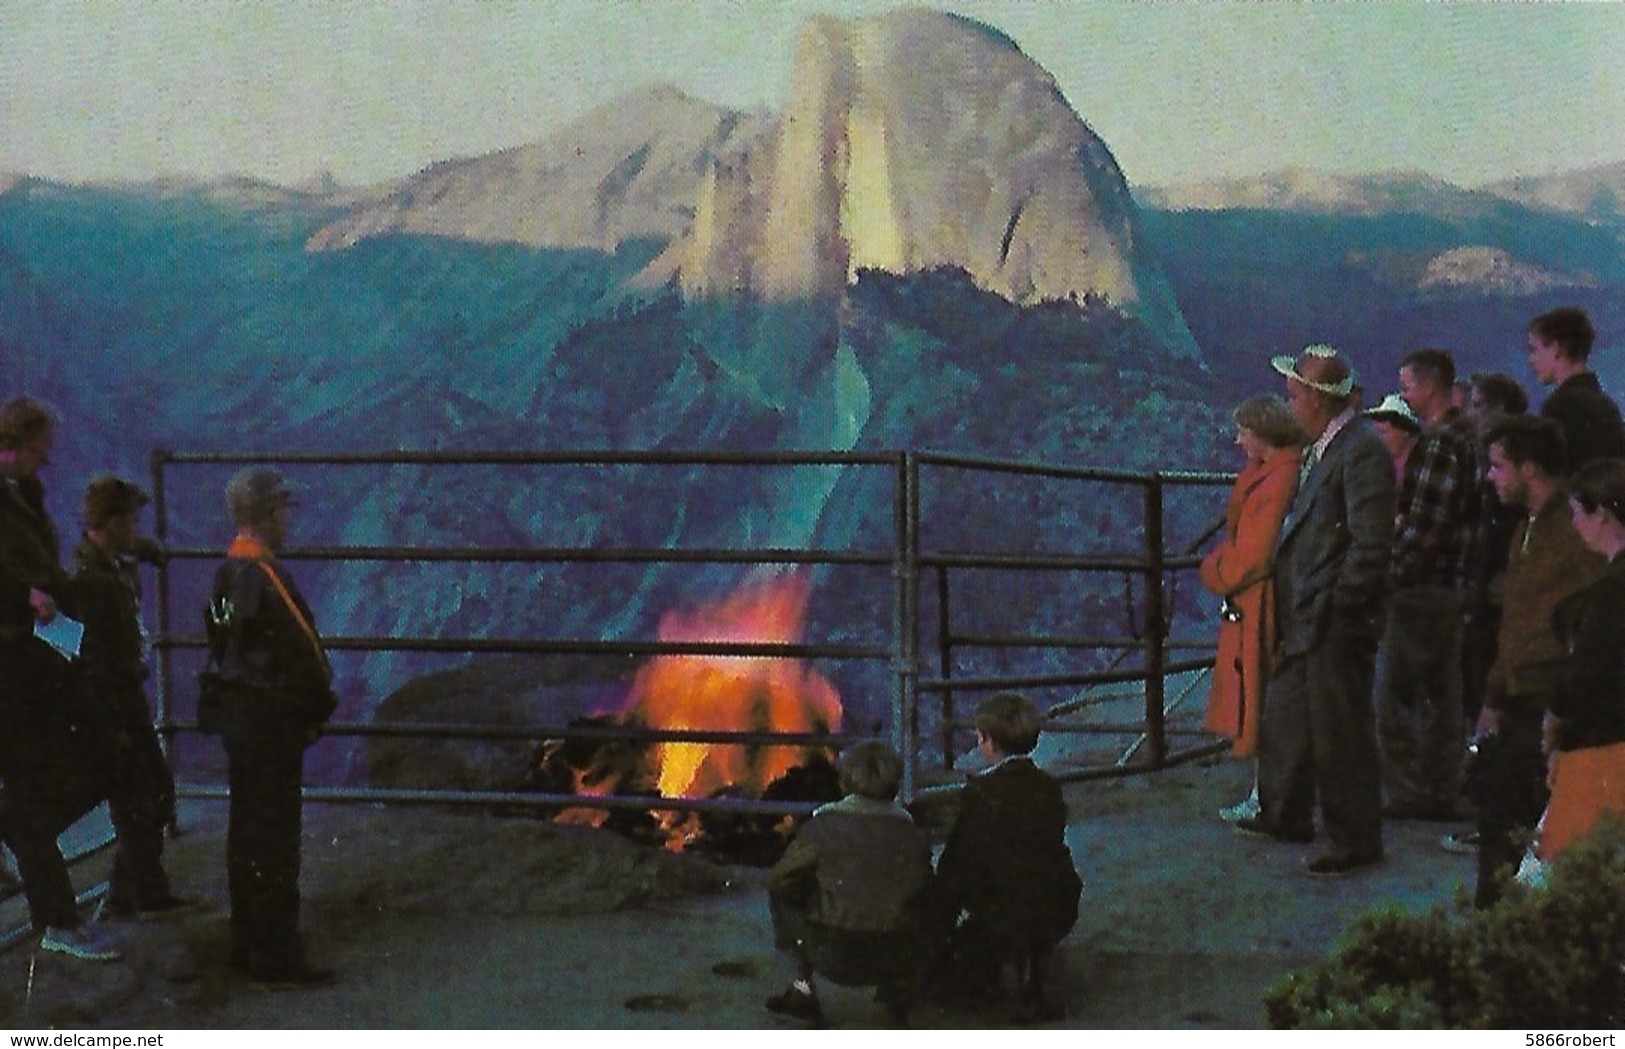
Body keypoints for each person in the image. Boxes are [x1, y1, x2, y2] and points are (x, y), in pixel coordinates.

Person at [1238, 344, 1395, 876]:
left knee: (1340, 728)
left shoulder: (1361, 451)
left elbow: (1372, 542)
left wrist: (1342, 606)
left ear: (1319, 400)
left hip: (1329, 617)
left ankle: (1355, 838)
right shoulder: (1330, 448)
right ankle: (1285, 811)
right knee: (1287, 715)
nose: (1291, 403)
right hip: (1309, 612)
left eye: (1296, 393)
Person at [206, 468, 337, 989]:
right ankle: (278, 954)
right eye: (284, 508)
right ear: (268, 514)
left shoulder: (225, 574)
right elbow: (307, 654)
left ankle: (248, 943)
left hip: (238, 716)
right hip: (273, 721)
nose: (289, 519)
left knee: (246, 831)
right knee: (277, 838)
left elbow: (218, 638)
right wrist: (315, 711)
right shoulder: (268, 576)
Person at [0, 396, 121, 961]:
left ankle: (25, 845)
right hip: (14, 657)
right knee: (38, 779)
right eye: (41, 448)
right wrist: (23, 595)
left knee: (87, 762)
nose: (48, 460)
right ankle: (59, 918)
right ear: (20, 443)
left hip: (38, 651)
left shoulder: (23, 493)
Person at [1464, 417, 1603, 905]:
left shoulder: (1573, 533)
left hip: (1548, 700)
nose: (1490, 476)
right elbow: (1517, 620)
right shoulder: (1526, 527)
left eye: (1499, 466)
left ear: (1529, 468)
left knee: (1536, 833)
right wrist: (1494, 696)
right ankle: (1493, 931)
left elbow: (1586, 626)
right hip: (1519, 697)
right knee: (1503, 823)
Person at [73, 475, 198, 919]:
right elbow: (92, 660)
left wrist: (139, 547)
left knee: (146, 789)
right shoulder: (91, 582)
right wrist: (113, 724)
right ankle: (143, 894)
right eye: (131, 519)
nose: (136, 527)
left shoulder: (105, 564)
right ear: (112, 521)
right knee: (142, 792)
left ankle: (129, 894)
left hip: (126, 698)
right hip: (116, 704)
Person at [1377, 349, 1481, 822]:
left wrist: (1390, 575)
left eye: (1408, 386)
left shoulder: (1439, 444)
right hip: (1453, 584)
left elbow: (1426, 527)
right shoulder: (1468, 436)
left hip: (1422, 588)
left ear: (1430, 386)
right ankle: (1445, 788)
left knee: (1393, 692)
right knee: (1444, 694)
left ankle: (1407, 790)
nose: (1404, 395)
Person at [932, 692, 1081, 1021]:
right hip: (1057, 897)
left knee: (995, 906)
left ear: (988, 741)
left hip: (1002, 905)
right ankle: (1044, 973)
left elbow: (959, 859)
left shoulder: (981, 793)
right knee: (1028, 899)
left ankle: (1011, 985)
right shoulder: (1047, 787)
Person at [764, 740, 933, 1027]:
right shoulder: (913, 834)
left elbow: (781, 879)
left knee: (780, 896)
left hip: (831, 951)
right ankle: (892, 1000)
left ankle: (803, 990)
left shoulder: (822, 827)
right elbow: (926, 892)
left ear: (844, 781)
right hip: (893, 954)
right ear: (893, 785)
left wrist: (812, 898)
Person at [1199, 394, 1306, 822]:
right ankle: (1266, 794)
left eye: (1244, 431)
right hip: (1254, 597)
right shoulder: (1273, 474)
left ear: (1262, 433)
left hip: (1258, 601)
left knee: (1262, 696)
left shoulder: (1278, 480)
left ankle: (1269, 798)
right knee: (1261, 694)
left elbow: (1256, 552)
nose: (1239, 439)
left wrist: (1216, 570)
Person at [1527, 459, 1625, 868]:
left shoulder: (1610, 593)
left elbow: (1584, 678)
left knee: (1560, 880)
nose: (1573, 524)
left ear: (1601, 512)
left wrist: (1554, 733)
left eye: (1576, 512)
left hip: (1601, 753)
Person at [1527, 307, 1625, 470]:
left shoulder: (1559, 406)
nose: (1531, 360)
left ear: (1556, 348)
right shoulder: (1606, 405)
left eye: (1534, 349)